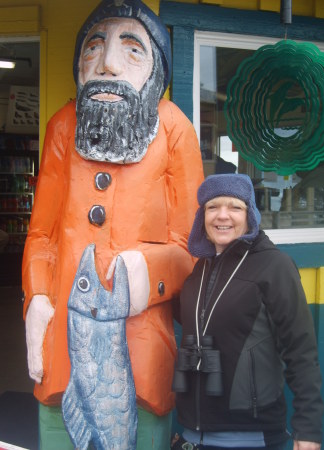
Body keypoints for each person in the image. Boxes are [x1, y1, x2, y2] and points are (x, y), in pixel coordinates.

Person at [22, 1, 204, 448]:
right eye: (94, 46)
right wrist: (38, 298)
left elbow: (192, 245)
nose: (107, 64)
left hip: (142, 354)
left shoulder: (175, 128)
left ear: (156, 70)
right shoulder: (63, 126)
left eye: (132, 49)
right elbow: (42, 233)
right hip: (61, 348)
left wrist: (146, 275)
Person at [172, 174, 323, 450]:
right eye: (213, 207)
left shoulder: (274, 267)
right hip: (192, 437)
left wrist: (309, 428)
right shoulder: (197, 273)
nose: (223, 216)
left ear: (250, 215)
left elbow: (301, 352)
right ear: (202, 217)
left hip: (252, 438)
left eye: (234, 207)